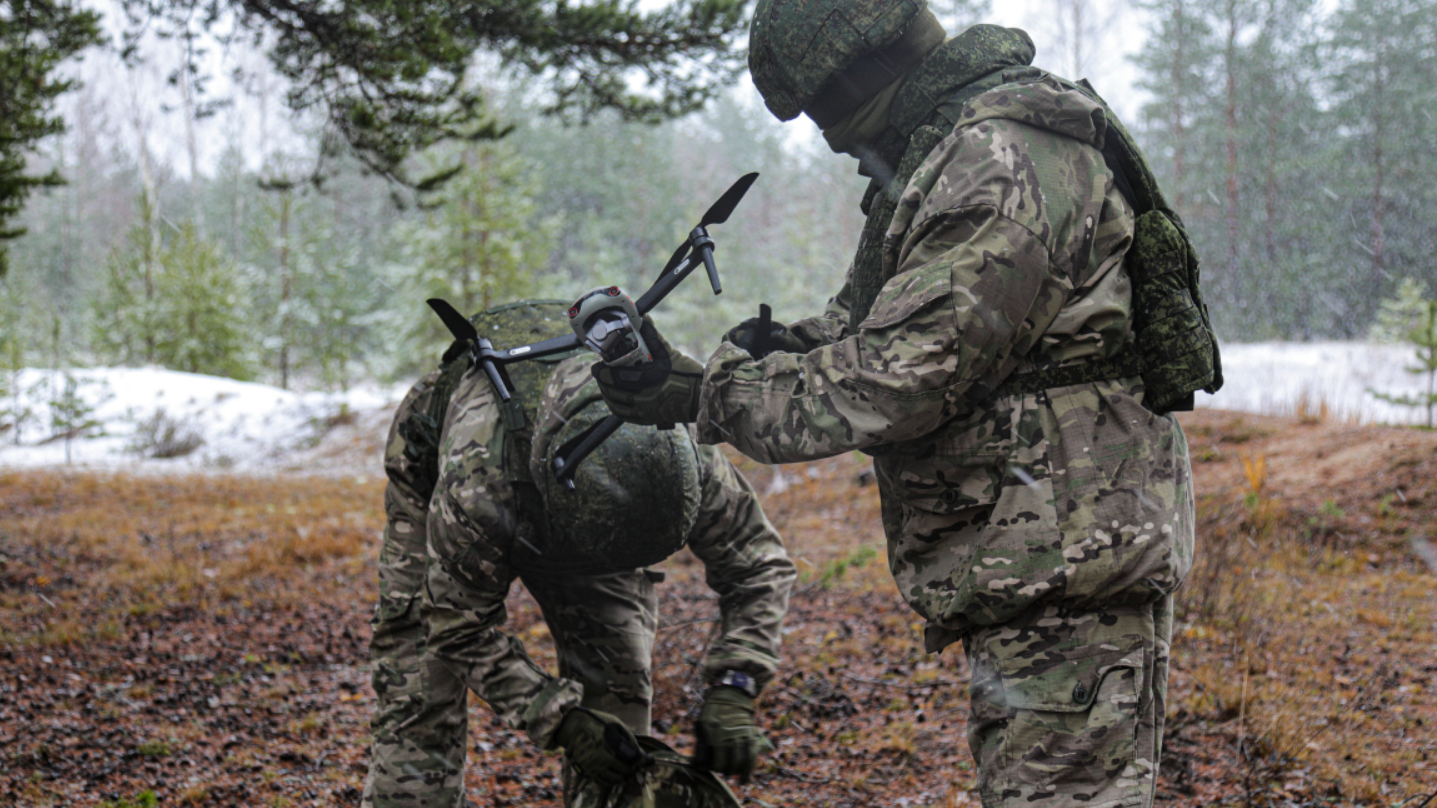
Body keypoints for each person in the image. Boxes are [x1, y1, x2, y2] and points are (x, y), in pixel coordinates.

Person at [590, 2, 1219, 805]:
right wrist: (768, 353)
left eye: (831, 116)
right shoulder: (955, 148)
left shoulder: (999, 156)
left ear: (864, 73)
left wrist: (711, 394)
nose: (841, 145)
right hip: (1039, 550)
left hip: (1066, 556)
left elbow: (909, 375)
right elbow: (879, 321)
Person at [363, 299, 795, 808]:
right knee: (419, 689)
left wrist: (736, 682)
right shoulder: (479, 480)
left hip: (584, 513)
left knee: (619, 721)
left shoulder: (683, 459)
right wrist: (558, 717)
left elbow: (758, 564)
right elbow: (454, 622)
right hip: (448, 467)